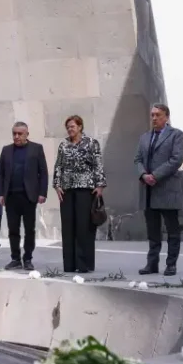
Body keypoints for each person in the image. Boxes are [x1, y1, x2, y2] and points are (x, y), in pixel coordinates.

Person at [134, 105, 183, 276]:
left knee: (172, 230)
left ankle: (171, 264)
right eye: (152, 115)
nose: (154, 118)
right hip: (148, 191)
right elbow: (137, 159)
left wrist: (155, 175)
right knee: (153, 231)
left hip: (167, 189)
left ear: (166, 117)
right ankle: (152, 264)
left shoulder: (176, 135)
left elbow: (176, 159)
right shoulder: (144, 137)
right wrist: (143, 175)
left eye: (158, 115)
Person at [53, 115, 106, 273]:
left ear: (80, 127)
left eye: (72, 126)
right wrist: (57, 185)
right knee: (68, 226)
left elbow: (98, 164)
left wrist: (100, 185)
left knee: (84, 227)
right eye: (68, 127)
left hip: (86, 188)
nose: (70, 129)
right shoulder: (63, 144)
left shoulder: (91, 143)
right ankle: (69, 265)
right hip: (67, 189)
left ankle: (84, 264)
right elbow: (58, 166)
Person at [0, 122, 48, 271]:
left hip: (29, 196)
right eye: (14, 133)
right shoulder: (6, 150)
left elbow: (43, 173)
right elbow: (1, 174)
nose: (16, 136)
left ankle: (28, 258)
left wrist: (42, 193)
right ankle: (15, 258)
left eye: (20, 134)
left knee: (29, 229)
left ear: (27, 134)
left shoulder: (36, 149)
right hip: (11, 196)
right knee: (13, 229)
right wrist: (1, 193)